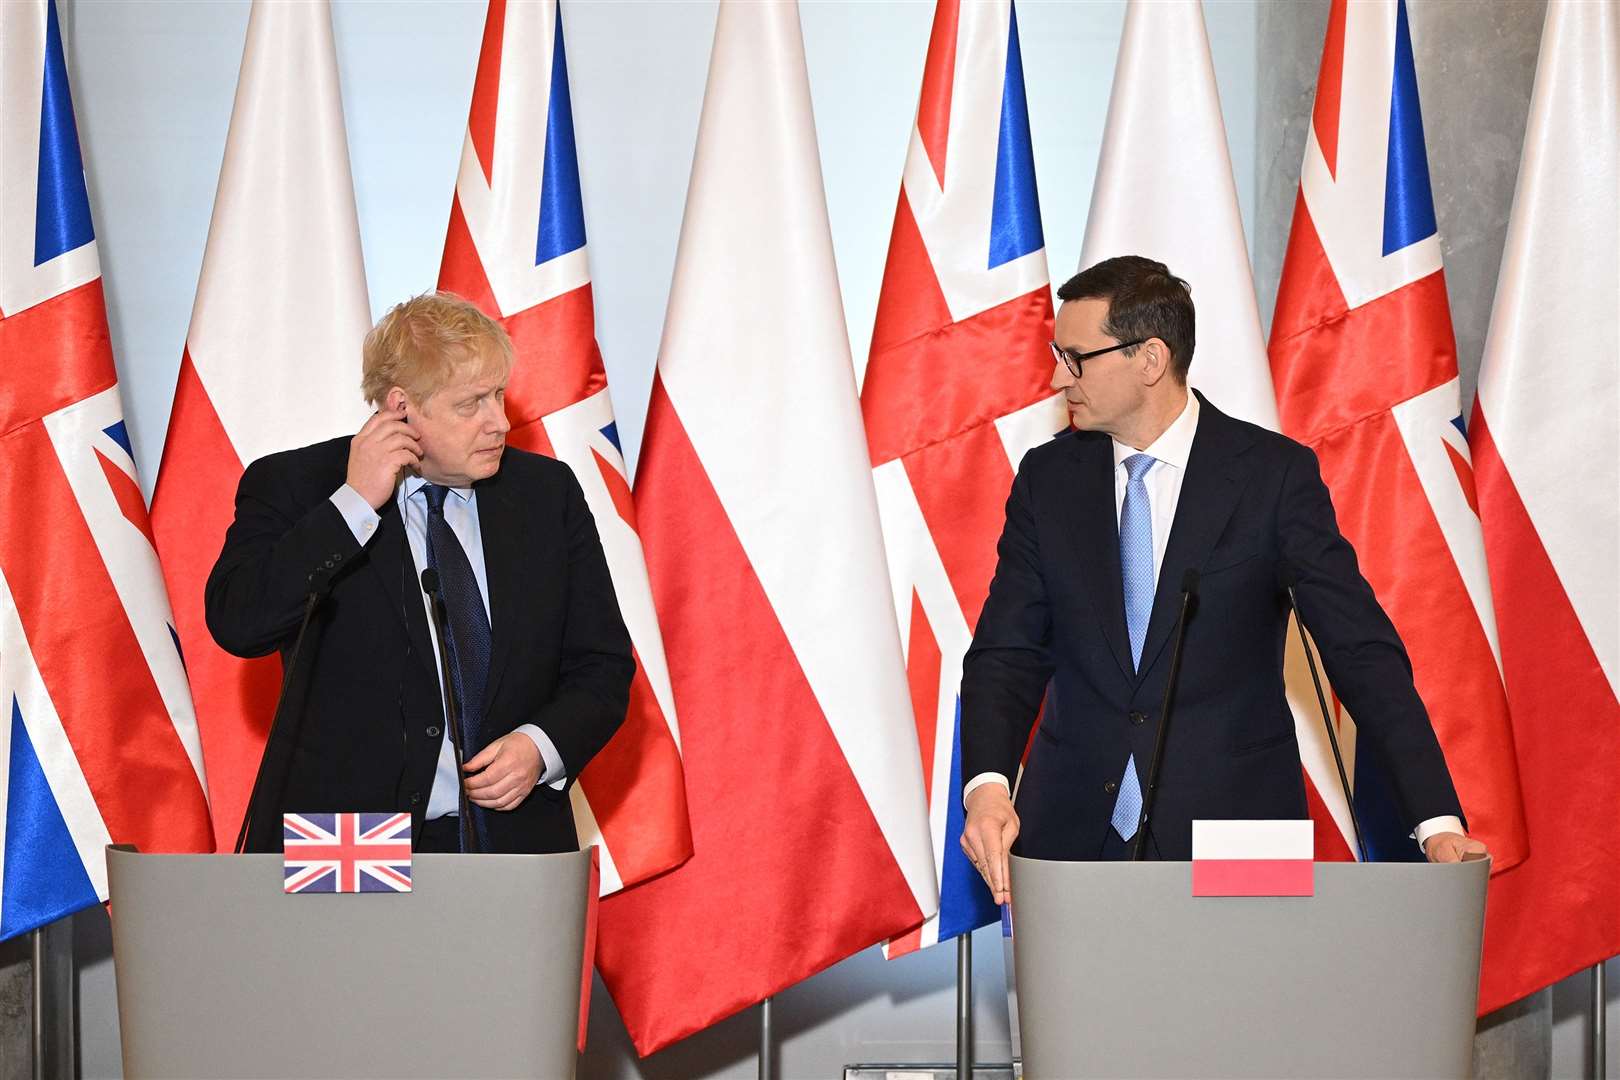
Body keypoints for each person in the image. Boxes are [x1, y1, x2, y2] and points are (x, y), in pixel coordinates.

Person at [958, 256, 1486, 900]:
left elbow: (1361, 652)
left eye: (1075, 357)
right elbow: (1005, 653)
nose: (1054, 376)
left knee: (1248, 1002)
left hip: (1243, 832)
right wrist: (987, 787)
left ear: (1149, 359)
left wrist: (1435, 820)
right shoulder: (1047, 480)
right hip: (1069, 836)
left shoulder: (1272, 476)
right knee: (1076, 1006)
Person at [206, 291, 633, 854]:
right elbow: (239, 622)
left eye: (499, 395)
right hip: (347, 842)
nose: (499, 422)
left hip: (512, 838)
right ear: (400, 407)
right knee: (346, 950)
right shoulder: (296, 486)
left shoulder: (545, 494)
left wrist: (540, 748)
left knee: (505, 949)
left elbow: (601, 664)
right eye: (470, 404)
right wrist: (354, 504)